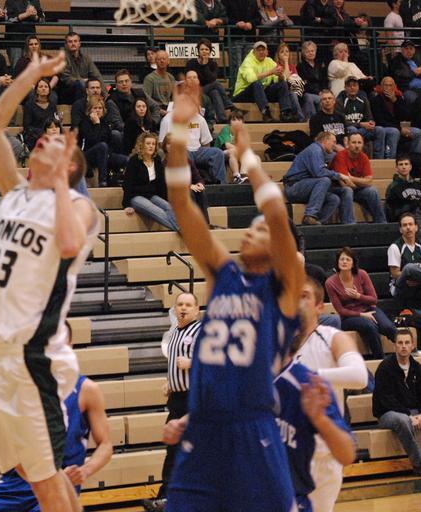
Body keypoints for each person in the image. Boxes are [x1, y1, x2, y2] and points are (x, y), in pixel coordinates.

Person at [161, 77, 304, 512]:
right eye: (251, 227)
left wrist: (247, 155)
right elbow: (180, 202)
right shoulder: (223, 274)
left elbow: (275, 211)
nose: (252, 230)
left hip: (252, 428)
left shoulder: (283, 286)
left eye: (259, 229)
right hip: (203, 428)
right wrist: (178, 131)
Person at [0, 50, 99, 512]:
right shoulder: (16, 194)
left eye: (54, 143)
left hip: (33, 358)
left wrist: (62, 183)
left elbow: (69, 244)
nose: (44, 141)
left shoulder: (80, 207)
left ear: (69, 165)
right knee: (30, 472)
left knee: (44, 482)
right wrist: (30, 74)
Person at [0, 366, 112, 511]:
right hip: (14, 484)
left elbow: (105, 445)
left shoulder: (86, 389)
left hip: (57, 484)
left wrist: (85, 471)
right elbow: (6, 447)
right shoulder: (22, 388)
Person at [294, 277, 368, 512]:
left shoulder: (332, 337)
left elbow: (360, 376)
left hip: (322, 455)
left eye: (304, 296)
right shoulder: (277, 344)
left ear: (319, 307)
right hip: (283, 451)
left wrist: (308, 375)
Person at [275, 331, 356, 512]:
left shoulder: (307, 382)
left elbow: (347, 454)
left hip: (295, 496)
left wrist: (320, 420)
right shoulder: (239, 382)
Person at [143, 292, 202, 511]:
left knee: (187, 451)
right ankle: (167, 498)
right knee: (173, 449)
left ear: (197, 309)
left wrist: (192, 362)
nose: (183, 308)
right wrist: (171, 383)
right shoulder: (175, 331)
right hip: (177, 399)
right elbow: (175, 365)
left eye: (188, 305)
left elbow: (214, 364)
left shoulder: (201, 332)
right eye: (180, 304)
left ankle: (172, 498)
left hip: (194, 399)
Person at [326, 247, 397, 359]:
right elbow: (341, 310)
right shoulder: (330, 283)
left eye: (348, 259)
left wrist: (358, 296)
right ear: (337, 262)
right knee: (369, 326)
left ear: (353, 263)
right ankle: (380, 359)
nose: (344, 262)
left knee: (387, 327)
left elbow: (374, 299)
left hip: (368, 309)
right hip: (348, 318)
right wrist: (361, 315)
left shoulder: (362, 274)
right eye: (342, 259)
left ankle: (410, 352)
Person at [373, 329, 421, 475]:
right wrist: (409, 415)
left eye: (407, 342)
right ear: (394, 346)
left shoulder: (417, 368)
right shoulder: (385, 368)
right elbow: (386, 400)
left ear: (413, 345)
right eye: (400, 343)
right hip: (388, 414)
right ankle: (418, 463)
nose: (403, 346)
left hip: (413, 411)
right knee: (403, 420)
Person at [283, 132, 356, 225]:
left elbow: (336, 157)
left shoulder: (322, 152)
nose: (335, 145)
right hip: (294, 187)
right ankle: (310, 215)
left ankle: (316, 224)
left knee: (334, 199)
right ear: (325, 141)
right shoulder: (315, 150)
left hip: (306, 187)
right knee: (324, 180)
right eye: (333, 142)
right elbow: (319, 172)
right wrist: (340, 175)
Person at [158, 100, 227, 185]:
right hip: (179, 150)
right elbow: (162, 143)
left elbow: (206, 142)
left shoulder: (199, 118)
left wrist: (204, 156)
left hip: (198, 151)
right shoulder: (167, 120)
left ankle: (221, 186)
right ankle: (190, 184)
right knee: (185, 155)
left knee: (218, 153)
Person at [122, 132, 179, 232]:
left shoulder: (157, 160)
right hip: (136, 196)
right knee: (157, 210)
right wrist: (126, 205)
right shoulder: (134, 160)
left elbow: (161, 183)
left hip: (152, 195)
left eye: (153, 144)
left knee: (170, 208)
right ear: (141, 145)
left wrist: (164, 201)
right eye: (148, 143)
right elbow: (127, 183)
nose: (151, 146)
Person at [233, 41, 300, 123]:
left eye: (263, 50)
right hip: (243, 94)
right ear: (254, 52)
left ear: (267, 52)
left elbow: (279, 79)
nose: (261, 52)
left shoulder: (269, 61)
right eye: (258, 50)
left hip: (260, 93)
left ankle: (285, 113)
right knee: (256, 83)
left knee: (282, 84)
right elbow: (251, 79)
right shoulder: (248, 61)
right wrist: (271, 72)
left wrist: (280, 75)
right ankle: (266, 114)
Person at [330, 133, 387, 223]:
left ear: (363, 144)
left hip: (355, 188)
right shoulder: (340, 156)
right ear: (348, 144)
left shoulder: (364, 157)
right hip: (338, 189)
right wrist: (360, 182)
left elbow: (369, 181)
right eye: (354, 142)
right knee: (347, 190)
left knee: (372, 190)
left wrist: (351, 178)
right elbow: (344, 183)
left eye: (359, 143)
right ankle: (349, 224)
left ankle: (382, 223)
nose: (357, 146)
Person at [78, 97, 127, 187]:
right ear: (89, 110)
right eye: (95, 108)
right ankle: (102, 181)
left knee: (127, 160)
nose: (98, 110)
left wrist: (108, 153)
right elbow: (93, 141)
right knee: (102, 146)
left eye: (100, 108)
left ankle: (122, 182)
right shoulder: (84, 124)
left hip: (104, 155)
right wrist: (97, 124)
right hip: (87, 155)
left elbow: (110, 142)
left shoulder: (105, 124)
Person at [161, 135, 212, 223]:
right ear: (165, 147)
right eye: (169, 144)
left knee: (200, 191)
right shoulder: (164, 164)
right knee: (189, 192)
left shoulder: (187, 161)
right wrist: (189, 186)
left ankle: (205, 223)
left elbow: (197, 177)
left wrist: (200, 183)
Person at [186, 39, 238, 124]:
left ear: (210, 51)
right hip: (195, 90)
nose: (204, 51)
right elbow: (190, 79)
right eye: (202, 49)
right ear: (198, 51)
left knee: (215, 92)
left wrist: (205, 65)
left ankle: (222, 118)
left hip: (209, 90)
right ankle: (229, 105)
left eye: (206, 49)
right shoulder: (191, 63)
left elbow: (212, 79)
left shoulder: (213, 64)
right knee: (216, 84)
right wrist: (203, 64)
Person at [371, 76, 421, 159]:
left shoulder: (398, 98)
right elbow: (380, 121)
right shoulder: (376, 100)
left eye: (390, 85)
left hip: (398, 127)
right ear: (381, 87)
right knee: (394, 132)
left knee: (417, 132)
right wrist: (400, 129)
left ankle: (415, 159)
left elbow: (406, 116)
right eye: (386, 85)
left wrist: (395, 101)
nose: (388, 88)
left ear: (394, 87)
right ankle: (391, 159)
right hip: (384, 128)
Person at [340, 76, 389, 159]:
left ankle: (378, 159)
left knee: (380, 130)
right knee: (353, 130)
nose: (352, 88)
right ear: (345, 88)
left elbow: (369, 117)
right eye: (349, 86)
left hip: (362, 130)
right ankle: (355, 158)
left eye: (354, 85)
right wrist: (360, 124)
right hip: (348, 130)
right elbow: (341, 122)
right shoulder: (340, 101)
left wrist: (371, 123)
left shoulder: (363, 100)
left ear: (358, 87)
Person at [57, 32, 104, 105]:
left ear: (79, 43)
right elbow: (66, 79)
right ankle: (81, 108)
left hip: (83, 88)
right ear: (66, 45)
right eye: (70, 42)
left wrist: (105, 95)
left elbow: (97, 76)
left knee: (95, 85)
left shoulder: (86, 58)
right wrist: (82, 81)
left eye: (75, 41)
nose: (73, 44)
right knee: (80, 85)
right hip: (67, 92)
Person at [388, 211, 421, 305]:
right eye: (404, 225)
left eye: (410, 224)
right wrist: (413, 277)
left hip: (417, 285)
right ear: (400, 229)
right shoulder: (395, 247)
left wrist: (417, 280)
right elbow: (395, 274)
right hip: (400, 287)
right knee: (409, 267)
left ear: (416, 227)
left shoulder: (419, 246)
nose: (408, 227)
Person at [4, 0, 44, 68]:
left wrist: (35, 16)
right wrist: (26, 14)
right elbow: (7, 18)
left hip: (30, 41)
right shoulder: (10, 1)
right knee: (17, 67)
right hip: (14, 41)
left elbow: (42, 19)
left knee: (31, 67)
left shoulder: (35, 1)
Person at [272, 43, 306, 122]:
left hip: (293, 89)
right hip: (280, 92)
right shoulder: (276, 65)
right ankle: (300, 117)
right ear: (278, 55)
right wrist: (286, 62)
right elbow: (285, 78)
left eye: (287, 51)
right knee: (293, 94)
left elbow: (296, 80)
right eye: (282, 51)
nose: (285, 53)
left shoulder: (292, 66)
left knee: (302, 94)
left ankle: (299, 117)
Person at [213, 110, 247, 184]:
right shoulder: (226, 129)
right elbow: (227, 145)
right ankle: (236, 177)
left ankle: (246, 175)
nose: (236, 122)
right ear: (229, 122)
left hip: (234, 153)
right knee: (233, 151)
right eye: (234, 119)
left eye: (239, 119)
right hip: (219, 153)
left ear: (242, 122)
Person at [297, 41, 329, 120]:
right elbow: (304, 83)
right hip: (308, 92)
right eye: (308, 51)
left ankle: (326, 119)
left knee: (329, 97)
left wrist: (324, 91)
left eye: (312, 51)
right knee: (309, 97)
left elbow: (325, 80)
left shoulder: (320, 64)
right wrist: (318, 93)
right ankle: (313, 119)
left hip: (321, 91)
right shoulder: (300, 66)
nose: (310, 53)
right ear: (304, 53)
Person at [23, 78, 57, 150]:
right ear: (36, 90)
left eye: (46, 87)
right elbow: (27, 127)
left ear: (49, 90)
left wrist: (58, 122)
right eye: (40, 87)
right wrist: (43, 133)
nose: (43, 88)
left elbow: (53, 121)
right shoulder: (29, 105)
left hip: (50, 135)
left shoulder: (52, 105)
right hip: (34, 136)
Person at [386, 155, 421, 221]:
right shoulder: (393, 187)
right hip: (405, 219)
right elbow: (392, 212)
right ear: (396, 168)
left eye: (406, 164)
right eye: (401, 164)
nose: (404, 167)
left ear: (410, 167)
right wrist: (411, 206)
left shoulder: (418, 184)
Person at [143, 51, 176, 116]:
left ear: (168, 61)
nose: (162, 61)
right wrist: (160, 111)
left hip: (169, 110)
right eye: (159, 59)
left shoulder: (171, 78)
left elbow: (174, 97)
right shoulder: (149, 79)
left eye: (164, 59)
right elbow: (146, 99)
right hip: (156, 111)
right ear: (155, 61)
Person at [390, 40, 421, 105]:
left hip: (419, 87)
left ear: (414, 50)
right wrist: (414, 72)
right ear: (402, 50)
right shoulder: (396, 61)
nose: (409, 51)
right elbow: (399, 77)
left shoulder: (417, 60)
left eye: (411, 49)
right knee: (415, 99)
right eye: (406, 48)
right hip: (406, 89)